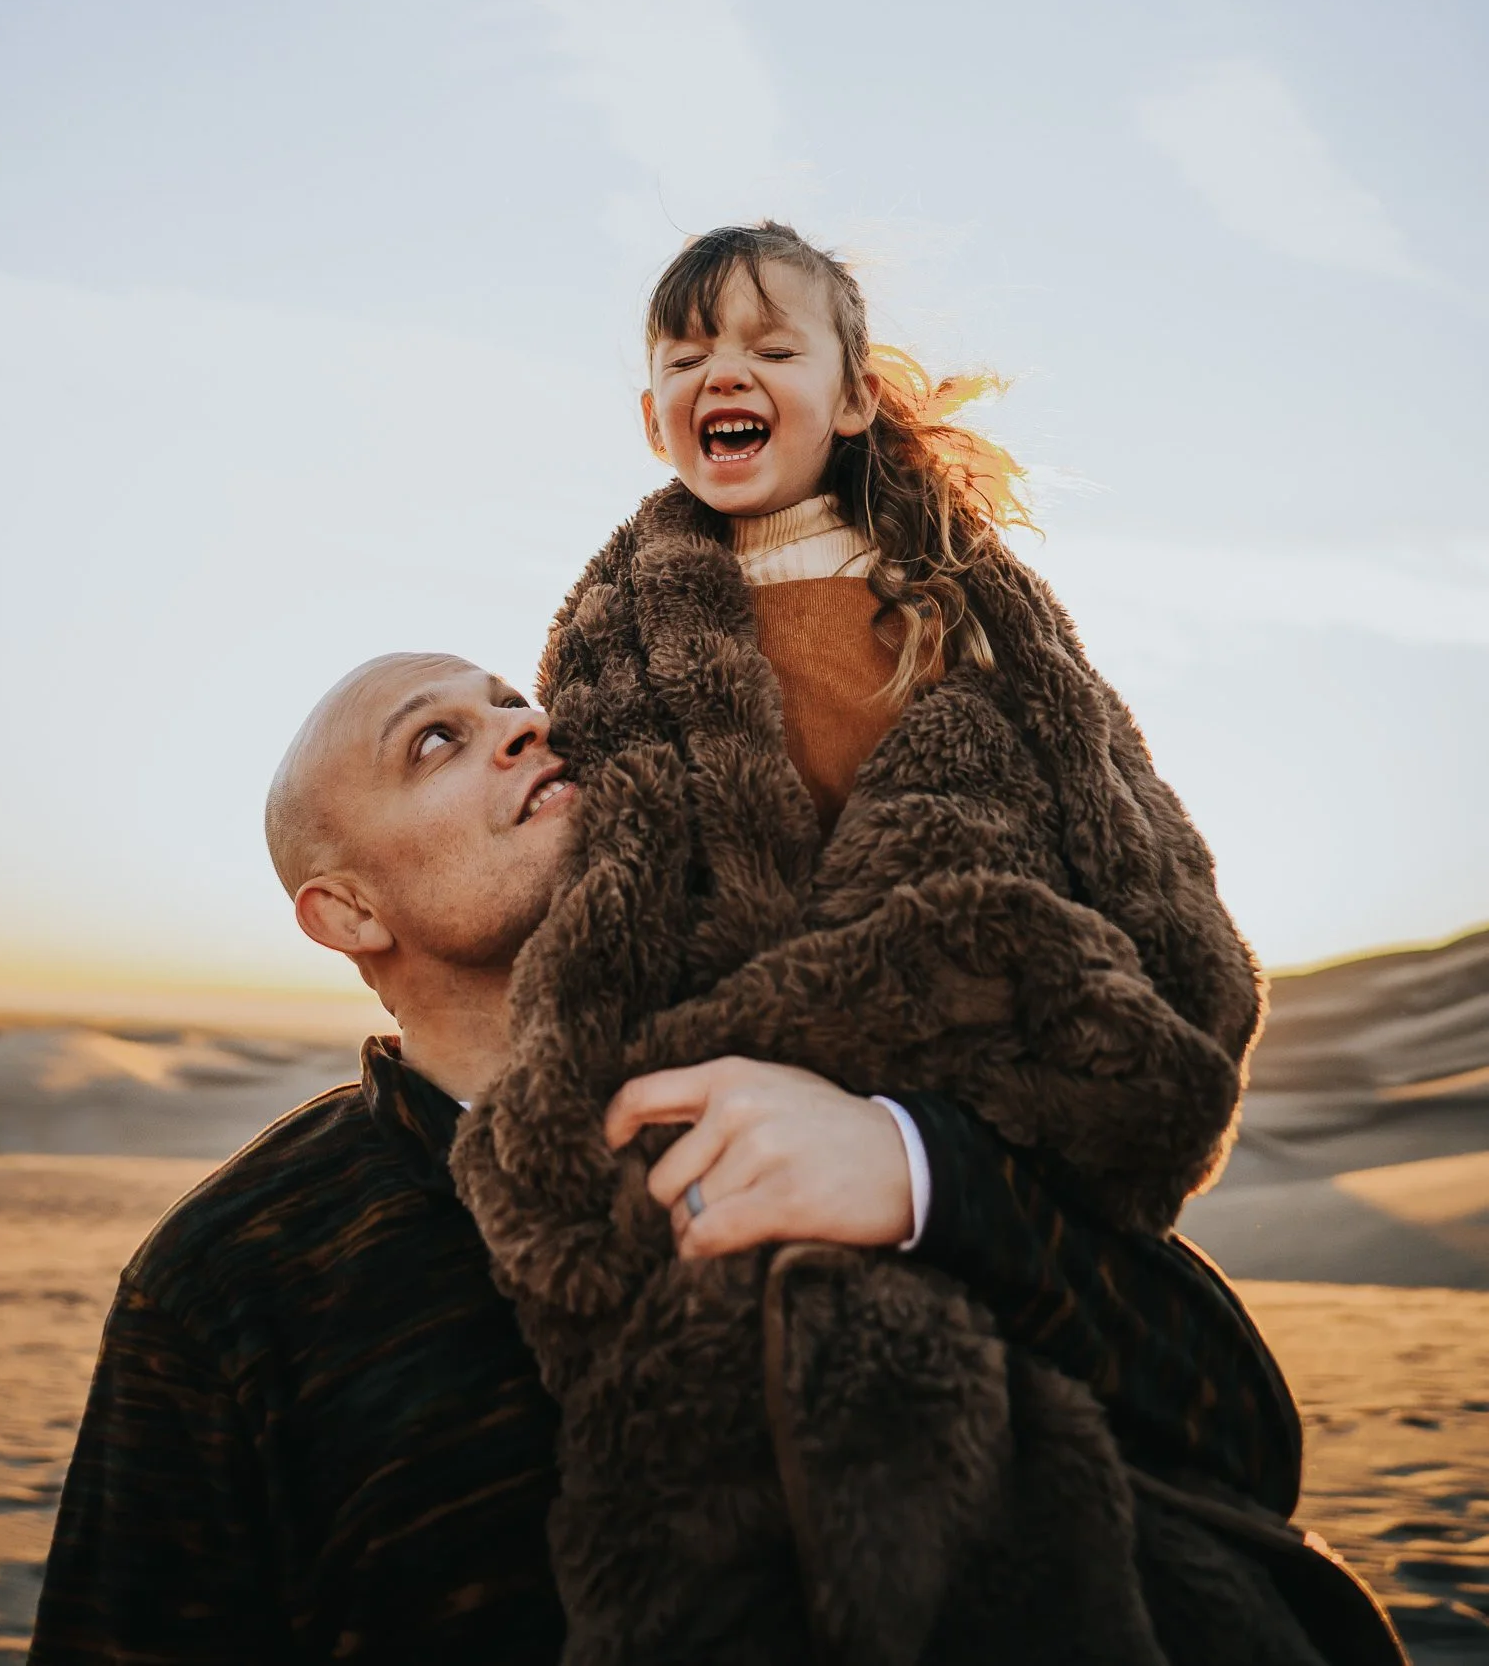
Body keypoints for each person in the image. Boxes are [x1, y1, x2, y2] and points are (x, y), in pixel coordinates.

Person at [453, 223, 1404, 1663]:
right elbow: (621, 886)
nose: (727, 372)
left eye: (772, 349)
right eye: (685, 353)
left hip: (957, 1085)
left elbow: (1117, 832)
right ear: (651, 414)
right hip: (724, 1131)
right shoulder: (610, 636)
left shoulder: (965, 605)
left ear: (846, 399)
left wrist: (970, 1103)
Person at [27, 653, 1369, 1666]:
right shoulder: (233, 1281)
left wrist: (925, 1181)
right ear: (348, 912)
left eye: (511, 702)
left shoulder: (833, 1086)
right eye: (437, 741)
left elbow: (1237, 1436)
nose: (523, 727)